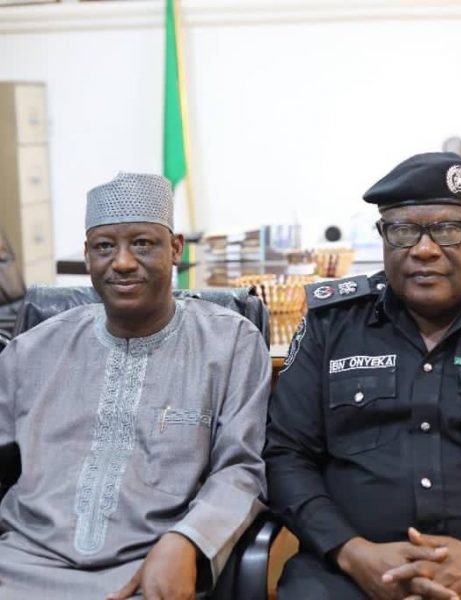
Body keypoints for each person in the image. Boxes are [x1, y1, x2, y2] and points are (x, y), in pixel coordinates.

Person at [265, 152, 461, 599]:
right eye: (403, 231)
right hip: (347, 574)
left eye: (448, 229)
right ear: (382, 236)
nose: (424, 249)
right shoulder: (332, 325)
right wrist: (350, 551)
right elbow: (286, 455)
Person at [0, 172, 271, 599]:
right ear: (87, 255)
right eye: (104, 247)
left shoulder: (230, 343)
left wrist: (187, 539)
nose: (123, 262)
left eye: (142, 243)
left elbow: (242, 469)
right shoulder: (32, 351)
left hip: (151, 569)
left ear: (176, 248)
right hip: (20, 564)